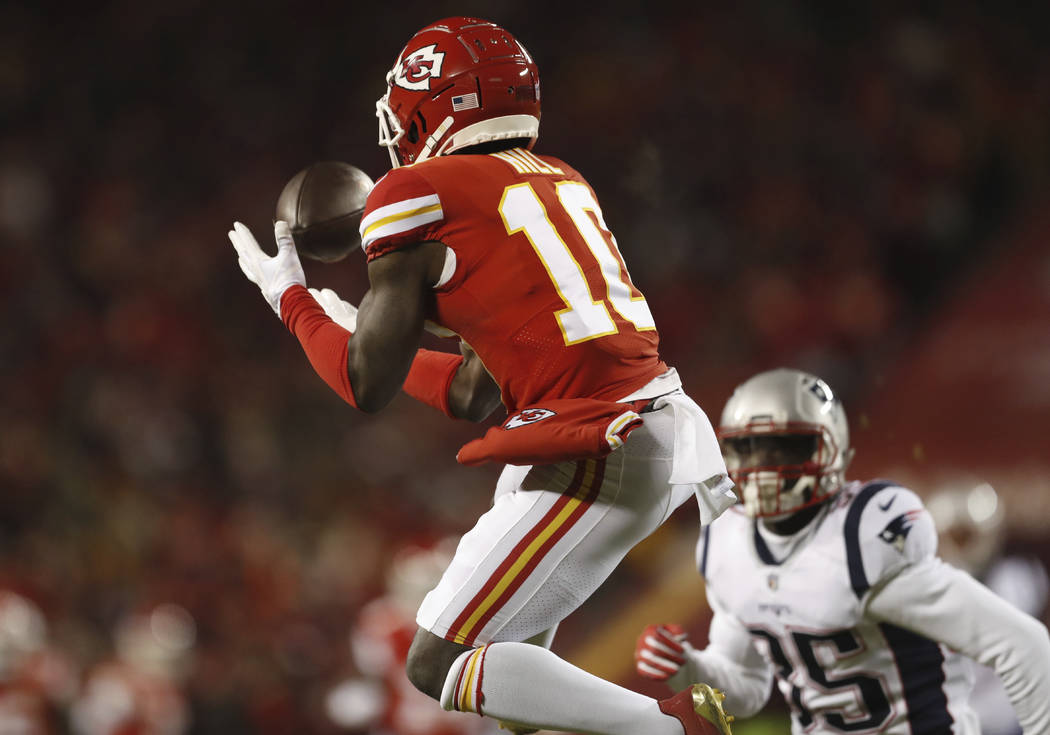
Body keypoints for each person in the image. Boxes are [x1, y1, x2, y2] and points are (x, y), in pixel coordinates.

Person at [228, 16, 738, 735]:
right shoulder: (560, 177)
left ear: (438, 105)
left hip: (597, 441)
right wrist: (367, 322)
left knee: (440, 661)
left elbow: (362, 383)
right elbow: (476, 391)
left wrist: (294, 300)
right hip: (634, 426)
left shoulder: (413, 191)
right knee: (509, 699)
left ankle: (676, 728)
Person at [633, 368, 1050, 734]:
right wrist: (687, 666)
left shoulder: (863, 536)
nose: (765, 469)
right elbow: (745, 689)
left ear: (830, 450)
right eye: (750, 449)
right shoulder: (728, 544)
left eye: (785, 449)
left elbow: (1026, 645)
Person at [927, 481, 1050, 735]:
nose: (959, 547)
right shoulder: (929, 591)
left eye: (965, 536)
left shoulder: (1016, 581)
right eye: (955, 536)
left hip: (1011, 720)